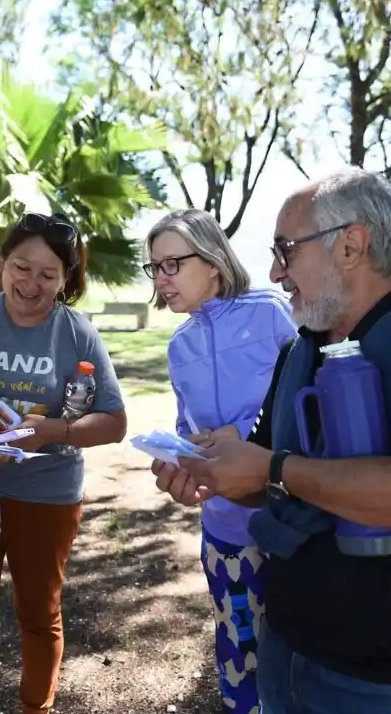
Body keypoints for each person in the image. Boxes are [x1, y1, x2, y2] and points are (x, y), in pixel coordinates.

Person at [153, 167, 391, 713]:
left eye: (286, 250)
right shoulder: (303, 350)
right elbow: (265, 481)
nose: (274, 271)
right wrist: (216, 473)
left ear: (351, 244)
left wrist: (272, 468)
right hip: (290, 650)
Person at [0, 212, 129, 714]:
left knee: (40, 616)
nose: (31, 284)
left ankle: (36, 708)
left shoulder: (77, 335)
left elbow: (113, 421)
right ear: (1, 263)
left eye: (48, 274)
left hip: (46, 495)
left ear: (66, 279)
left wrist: (53, 432)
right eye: (21, 267)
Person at [143, 209, 296, 714]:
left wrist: (248, 438)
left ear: (212, 261)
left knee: (300, 665)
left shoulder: (272, 311)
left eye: (172, 264)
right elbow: (190, 432)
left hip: (294, 525)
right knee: (240, 660)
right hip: (226, 533)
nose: (162, 279)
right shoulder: (178, 345)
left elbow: (308, 405)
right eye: (154, 268)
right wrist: (182, 471)